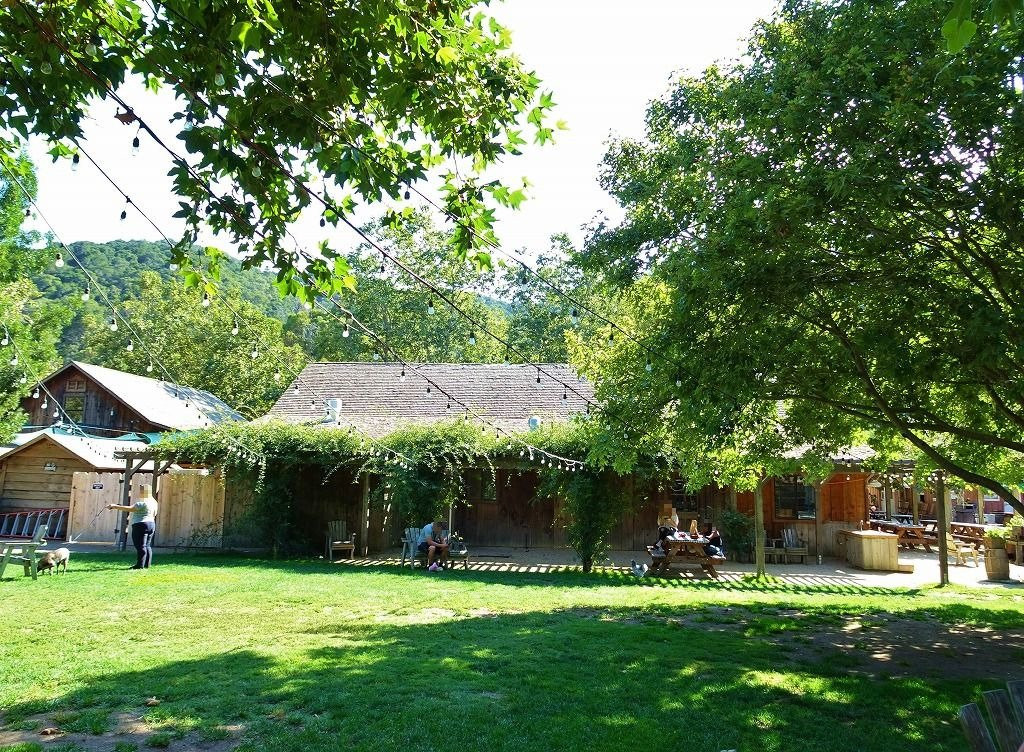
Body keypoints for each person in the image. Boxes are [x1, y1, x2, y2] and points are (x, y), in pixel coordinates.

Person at [107, 484, 159, 569]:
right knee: (147, 545)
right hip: (151, 524)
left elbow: (130, 509)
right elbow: (154, 514)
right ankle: (146, 564)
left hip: (140, 525)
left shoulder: (141, 503)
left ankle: (140, 565)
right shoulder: (154, 503)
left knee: (140, 546)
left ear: (143, 492)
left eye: (141, 491)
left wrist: (114, 506)